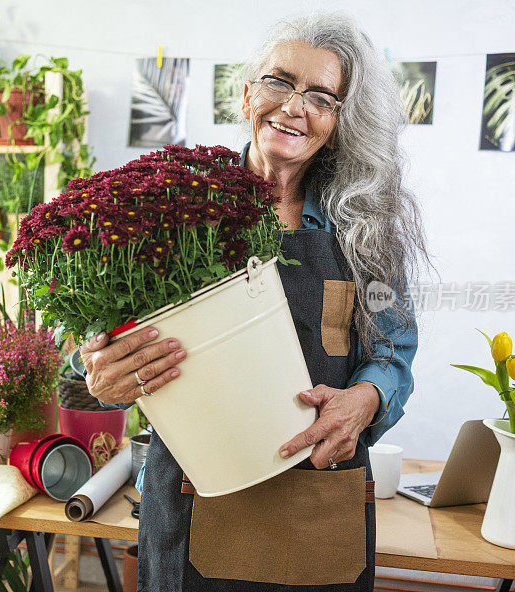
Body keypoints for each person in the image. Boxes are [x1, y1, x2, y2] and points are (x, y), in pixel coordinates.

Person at [79, 11, 429, 592]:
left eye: (321, 95)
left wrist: (365, 400)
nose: (294, 106)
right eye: (279, 82)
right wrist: (97, 369)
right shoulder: (174, 210)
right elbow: (93, 347)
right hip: (194, 502)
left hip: (319, 503)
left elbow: (394, 351)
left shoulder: (369, 229)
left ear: (340, 123)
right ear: (246, 96)